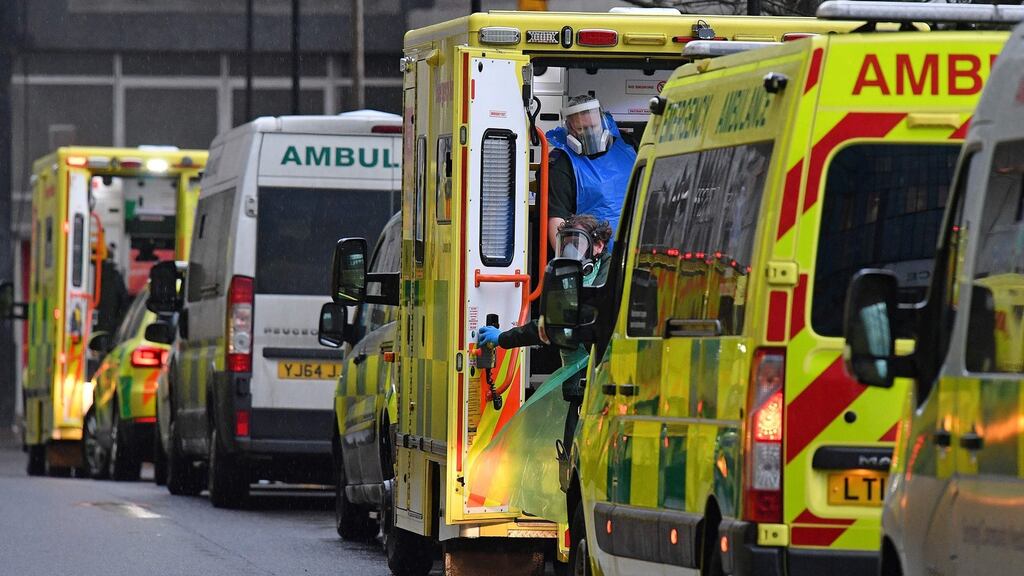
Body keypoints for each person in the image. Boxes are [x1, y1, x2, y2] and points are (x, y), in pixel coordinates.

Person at [545, 95, 637, 251]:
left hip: (634, 250)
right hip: (591, 257)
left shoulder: (628, 145)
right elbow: (556, 219)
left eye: (593, 127)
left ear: (603, 121)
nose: (589, 134)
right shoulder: (562, 162)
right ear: (570, 128)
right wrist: (569, 262)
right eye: (581, 129)